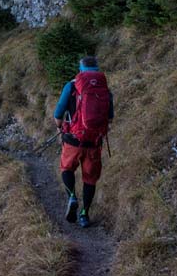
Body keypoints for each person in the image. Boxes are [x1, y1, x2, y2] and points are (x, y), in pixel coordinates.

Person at [53, 55, 114, 228]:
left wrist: (60, 128)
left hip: (73, 139)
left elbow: (58, 114)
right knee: (90, 179)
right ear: (97, 68)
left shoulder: (72, 85)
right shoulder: (104, 89)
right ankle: (84, 215)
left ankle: (72, 195)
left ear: (80, 69)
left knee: (66, 168)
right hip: (94, 142)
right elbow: (109, 118)